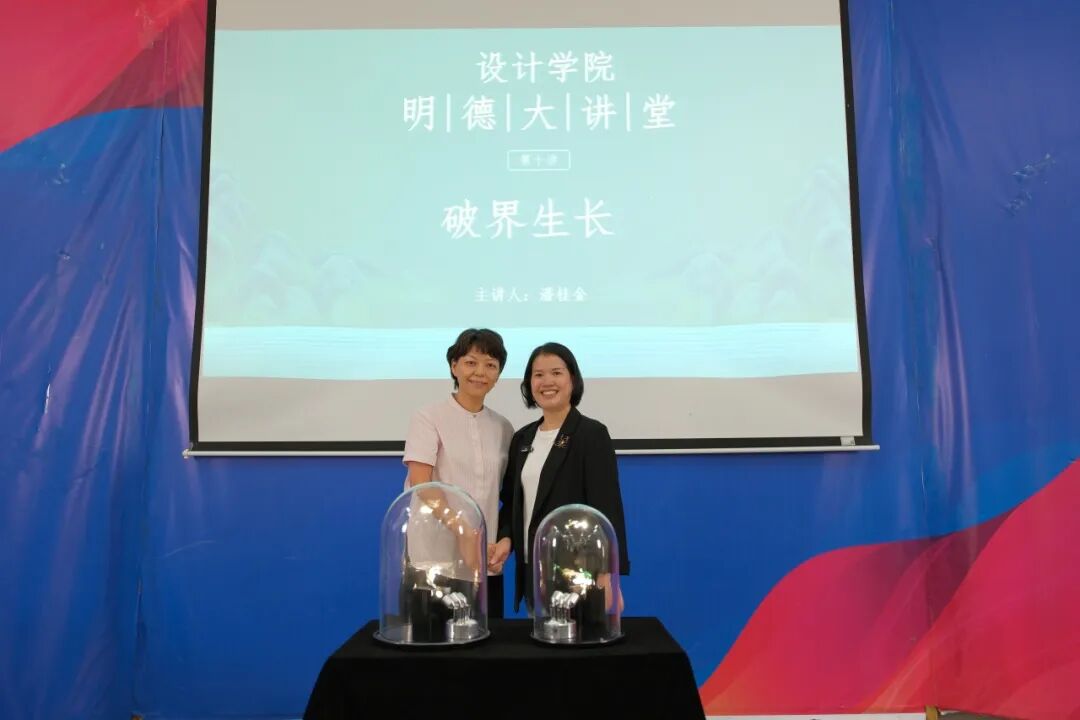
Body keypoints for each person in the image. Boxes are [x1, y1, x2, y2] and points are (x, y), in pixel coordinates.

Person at [489, 342, 630, 613]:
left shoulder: (591, 434)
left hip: (581, 574)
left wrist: (609, 575)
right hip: (534, 571)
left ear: (572, 379)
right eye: (538, 374)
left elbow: (607, 507)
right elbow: (513, 503)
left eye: (556, 373)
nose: (547, 382)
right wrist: (506, 538)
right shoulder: (522, 438)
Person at [403, 328, 514, 617]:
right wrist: (463, 531)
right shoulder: (428, 417)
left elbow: (506, 494)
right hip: (433, 557)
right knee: (433, 640)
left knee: (485, 638)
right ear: (454, 366)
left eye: (490, 365)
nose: (480, 372)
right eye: (471, 362)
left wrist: (499, 540)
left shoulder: (504, 428)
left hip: (483, 558)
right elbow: (421, 483)